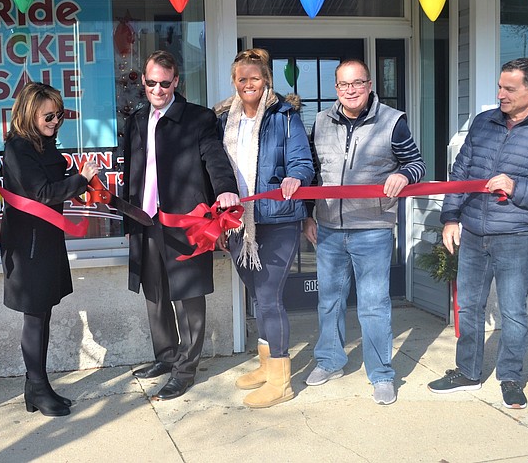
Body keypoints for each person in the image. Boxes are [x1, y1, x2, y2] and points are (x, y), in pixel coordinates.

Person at [428, 58, 528, 409]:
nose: (501, 94)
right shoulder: (483, 123)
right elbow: (460, 172)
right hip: (473, 232)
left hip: (516, 236)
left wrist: (517, 187)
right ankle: (467, 372)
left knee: (513, 311)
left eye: (509, 89)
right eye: (499, 86)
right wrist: (451, 217)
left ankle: (510, 377)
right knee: (468, 308)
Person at [303, 59, 426, 405]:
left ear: (370, 85)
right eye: (344, 85)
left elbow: (416, 163)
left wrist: (405, 175)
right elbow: (313, 174)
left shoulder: (392, 121)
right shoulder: (321, 122)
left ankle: (382, 374)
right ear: (336, 89)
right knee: (329, 301)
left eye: (358, 83)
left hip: (372, 230)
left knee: (373, 305)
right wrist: (307, 216)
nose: (351, 90)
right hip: (327, 228)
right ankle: (330, 361)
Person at [123, 50, 240, 401]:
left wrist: (226, 190)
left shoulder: (198, 118)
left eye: (164, 82)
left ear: (176, 81)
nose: (157, 89)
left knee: (188, 297)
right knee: (154, 293)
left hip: (185, 222)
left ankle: (185, 370)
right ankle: (166, 356)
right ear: (143, 82)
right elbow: (130, 167)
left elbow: (214, 157)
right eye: (150, 83)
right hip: (145, 220)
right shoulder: (136, 120)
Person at [213, 48, 314, 408]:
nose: (248, 84)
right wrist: (221, 222)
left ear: (266, 80)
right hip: (239, 221)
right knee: (257, 297)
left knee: (270, 298)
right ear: (234, 82)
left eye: (255, 78)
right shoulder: (224, 118)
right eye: (242, 79)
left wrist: (295, 176)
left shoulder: (286, 116)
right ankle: (265, 363)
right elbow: (217, 167)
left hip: (279, 218)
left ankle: (281, 381)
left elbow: (303, 160)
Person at [0, 82, 100, 417]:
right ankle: (38, 388)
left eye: (59, 115)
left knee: (43, 313)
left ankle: (36, 388)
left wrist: (78, 181)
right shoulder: (18, 148)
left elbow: (56, 184)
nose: (56, 120)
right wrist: (80, 180)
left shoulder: (43, 146)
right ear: (30, 113)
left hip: (45, 239)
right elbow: (42, 192)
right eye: (49, 115)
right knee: (35, 315)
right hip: (27, 244)